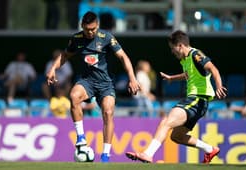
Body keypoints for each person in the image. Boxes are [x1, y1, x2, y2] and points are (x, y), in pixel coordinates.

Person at [46, 11, 140, 162]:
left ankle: (105, 155)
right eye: (87, 29)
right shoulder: (76, 39)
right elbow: (65, 55)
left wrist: (132, 78)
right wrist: (52, 69)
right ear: (82, 26)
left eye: (93, 29)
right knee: (74, 96)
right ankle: (81, 139)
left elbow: (123, 56)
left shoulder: (107, 37)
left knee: (108, 113)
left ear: (97, 26)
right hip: (86, 81)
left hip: (105, 83)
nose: (90, 32)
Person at [126, 30, 227, 164]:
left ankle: (147, 154)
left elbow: (213, 69)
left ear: (180, 45)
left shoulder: (195, 55)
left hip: (197, 99)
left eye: (173, 49)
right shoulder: (185, 60)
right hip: (198, 103)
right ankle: (210, 149)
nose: (172, 52)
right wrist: (172, 78)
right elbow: (188, 74)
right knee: (177, 136)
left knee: (166, 121)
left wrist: (219, 86)